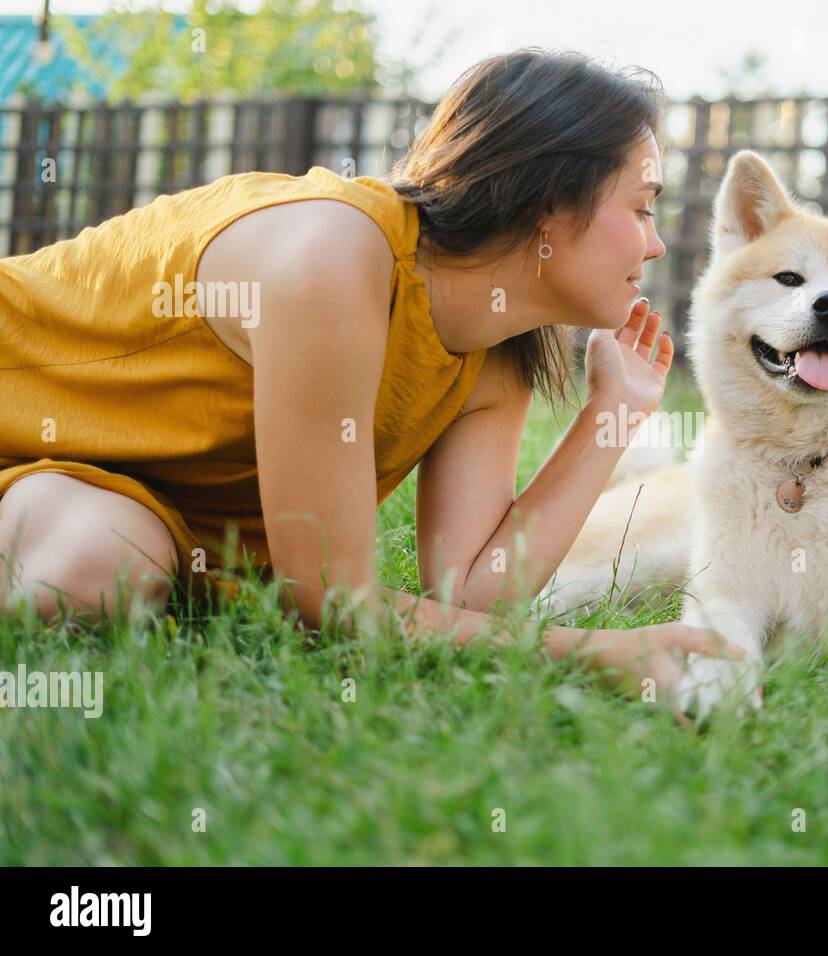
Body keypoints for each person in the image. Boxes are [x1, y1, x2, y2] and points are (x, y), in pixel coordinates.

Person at [0, 48, 744, 718]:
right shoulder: (333, 255)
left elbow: (473, 593)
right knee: (83, 570)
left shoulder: (494, 344)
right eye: (642, 208)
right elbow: (331, 602)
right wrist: (587, 650)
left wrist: (610, 414)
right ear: (549, 201)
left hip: (100, 490)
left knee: (99, 563)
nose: (653, 241)